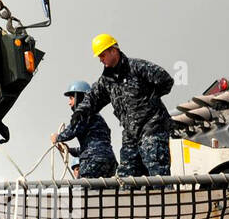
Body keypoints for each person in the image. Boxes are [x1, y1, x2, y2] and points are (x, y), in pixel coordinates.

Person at [72, 34, 176, 177]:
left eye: (102, 55)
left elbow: (166, 80)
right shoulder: (106, 81)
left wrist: (149, 101)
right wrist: (79, 113)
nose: (100, 60)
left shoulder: (137, 67)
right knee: (126, 179)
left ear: (113, 51)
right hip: (130, 134)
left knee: (158, 175)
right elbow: (93, 99)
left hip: (153, 128)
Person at [50, 81, 117, 178]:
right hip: (109, 162)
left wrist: (57, 137)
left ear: (78, 97)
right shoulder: (97, 116)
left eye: (71, 98)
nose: (69, 103)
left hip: (93, 162)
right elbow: (94, 145)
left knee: (87, 191)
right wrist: (69, 150)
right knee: (105, 192)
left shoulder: (83, 113)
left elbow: (72, 131)